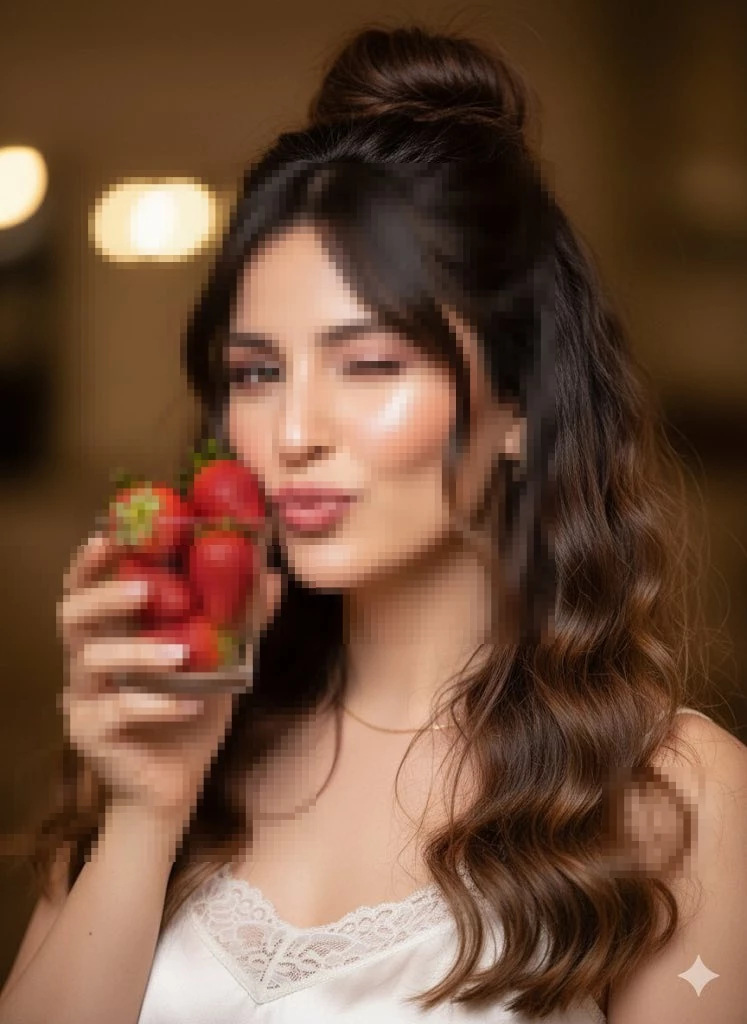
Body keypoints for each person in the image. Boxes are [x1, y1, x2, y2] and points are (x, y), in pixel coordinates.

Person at [2, 23, 746, 1024]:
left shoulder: (678, 800)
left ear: (521, 399)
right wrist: (143, 812)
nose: (294, 431)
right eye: (258, 371)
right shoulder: (177, 735)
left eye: (371, 364)